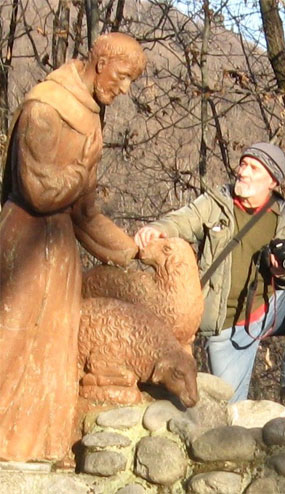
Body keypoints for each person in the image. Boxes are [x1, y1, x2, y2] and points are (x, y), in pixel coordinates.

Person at [0, 32, 146, 461]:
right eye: (122, 77)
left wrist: (132, 252)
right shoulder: (45, 106)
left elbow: (84, 213)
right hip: (23, 245)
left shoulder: (92, 117)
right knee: (11, 347)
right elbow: (39, 190)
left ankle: (38, 449)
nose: (125, 89)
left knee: (53, 355)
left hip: (59, 251)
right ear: (100, 63)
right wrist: (81, 175)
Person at [135, 142, 285, 403]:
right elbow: (182, 220)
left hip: (270, 309)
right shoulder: (216, 202)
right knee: (229, 411)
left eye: (254, 168)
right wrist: (157, 228)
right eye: (243, 164)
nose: (243, 172)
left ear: (272, 181)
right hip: (226, 324)